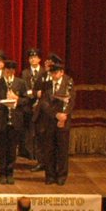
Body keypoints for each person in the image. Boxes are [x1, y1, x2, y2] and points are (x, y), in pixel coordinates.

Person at [39, 56, 74, 185]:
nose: (54, 75)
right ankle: (50, 175)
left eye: (56, 73)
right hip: (50, 121)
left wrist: (63, 116)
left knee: (62, 150)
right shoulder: (47, 84)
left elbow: (70, 101)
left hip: (63, 122)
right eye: (52, 73)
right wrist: (55, 115)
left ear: (62, 72)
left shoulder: (68, 83)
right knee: (49, 150)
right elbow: (43, 103)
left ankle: (61, 175)